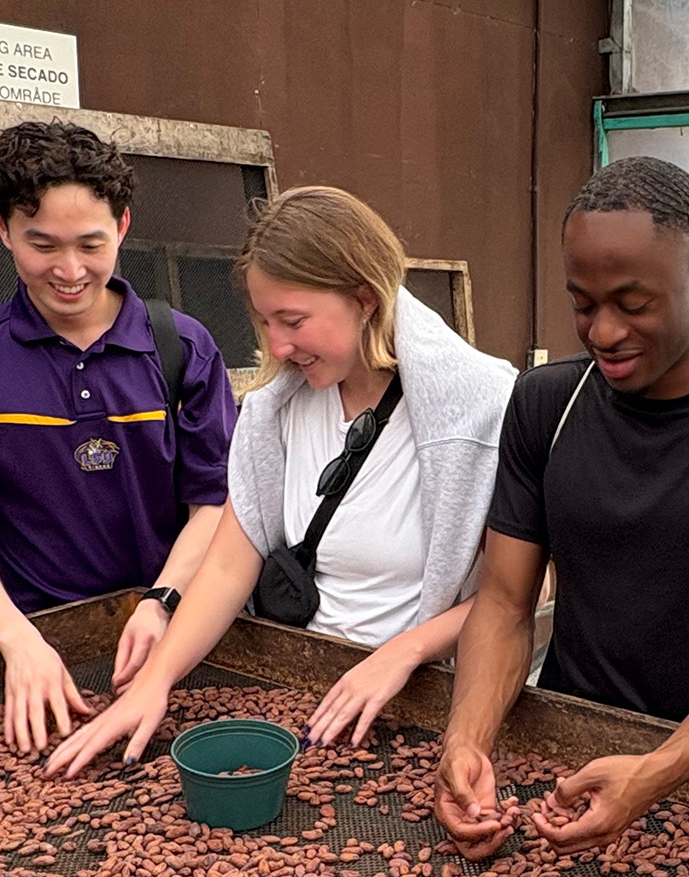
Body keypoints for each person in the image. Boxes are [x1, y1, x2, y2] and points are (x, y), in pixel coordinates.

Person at [434, 156, 689, 860]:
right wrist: (469, 738)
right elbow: (505, 602)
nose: (602, 331)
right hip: (564, 754)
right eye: (582, 303)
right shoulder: (546, 403)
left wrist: (655, 775)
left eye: (633, 304)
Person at [45, 185, 517, 777]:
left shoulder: (484, 409)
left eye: (293, 321)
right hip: (302, 698)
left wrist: (406, 652)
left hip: (421, 709)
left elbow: (523, 592)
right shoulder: (277, 412)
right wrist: (156, 680)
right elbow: (226, 564)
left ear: (365, 298)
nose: (276, 345)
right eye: (265, 321)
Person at [0, 121, 236, 756]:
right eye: (42, 244)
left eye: (90, 243)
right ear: (2, 229)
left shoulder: (183, 347)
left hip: (173, 633)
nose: (69, 270)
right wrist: (17, 641)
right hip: (32, 638)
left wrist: (162, 602)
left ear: (122, 226)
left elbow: (217, 506)